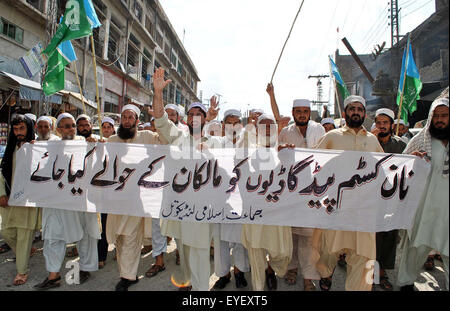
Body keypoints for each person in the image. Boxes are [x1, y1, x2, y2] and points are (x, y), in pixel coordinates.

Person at [153, 67, 222, 291]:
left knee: (201, 252)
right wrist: (157, 93)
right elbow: (160, 119)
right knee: (184, 251)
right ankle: (188, 284)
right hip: (181, 207)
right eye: (191, 114)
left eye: (198, 115)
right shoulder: (178, 137)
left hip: (202, 209)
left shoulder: (215, 142)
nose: (194, 118)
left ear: (205, 118)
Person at [313, 95, 384, 291]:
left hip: (364, 210)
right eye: (352, 109)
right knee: (328, 250)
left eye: (359, 109)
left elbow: (385, 167)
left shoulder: (372, 140)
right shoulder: (331, 136)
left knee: (365, 256)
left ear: (365, 114)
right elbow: (313, 164)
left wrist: (412, 161)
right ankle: (326, 272)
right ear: (345, 113)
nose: (356, 112)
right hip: (337, 207)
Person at [34, 113, 101, 290]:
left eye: (73, 125)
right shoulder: (50, 145)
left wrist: (96, 146)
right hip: (56, 201)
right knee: (53, 236)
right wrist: (31, 149)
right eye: (66, 126)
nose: (71, 129)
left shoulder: (83, 143)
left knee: (86, 234)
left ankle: (86, 268)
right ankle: (53, 275)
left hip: (79, 199)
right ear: (58, 129)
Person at [106, 104, 168, 291]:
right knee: (119, 239)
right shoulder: (111, 140)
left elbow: (166, 141)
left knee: (131, 237)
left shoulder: (147, 137)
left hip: (138, 198)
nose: (126, 120)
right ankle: (126, 272)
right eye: (124, 117)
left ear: (137, 120)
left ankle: (128, 277)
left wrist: (159, 118)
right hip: (117, 199)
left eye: (130, 117)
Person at [397, 97, 449, 291]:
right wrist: (412, 159)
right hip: (424, 206)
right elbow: (399, 165)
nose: (440, 120)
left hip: (447, 210)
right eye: (436, 116)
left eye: (444, 116)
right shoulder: (420, 140)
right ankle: (405, 282)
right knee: (415, 248)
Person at [241, 114, 293, 291]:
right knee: (256, 253)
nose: (267, 129)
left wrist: (289, 156)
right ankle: (258, 289)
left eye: (271, 125)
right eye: (263, 126)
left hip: (277, 211)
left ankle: (272, 271)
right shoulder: (250, 150)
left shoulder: (284, 150)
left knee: (283, 252)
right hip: (254, 210)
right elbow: (238, 159)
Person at [278, 99, 325, 291]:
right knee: (291, 235)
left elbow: (326, 155)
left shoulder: (319, 130)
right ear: (293, 112)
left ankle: (309, 276)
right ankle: (292, 269)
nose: (302, 114)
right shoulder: (285, 132)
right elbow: (277, 157)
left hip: (313, 189)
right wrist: (281, 150)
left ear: (310, 113)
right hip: (291, 190)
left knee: (308, 237)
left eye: (306, 111)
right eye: (298, 111)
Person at [212, 109, 250, 290]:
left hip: (241, 198)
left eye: (236, 123)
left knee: (241, 239)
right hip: (220, 198)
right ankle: (223, 274)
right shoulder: (216, 144)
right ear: (223, 125)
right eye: (229, 123)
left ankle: (239, 272)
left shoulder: (249, 144)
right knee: (220, 241)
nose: (233, 127)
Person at [0, 115, 39, 286]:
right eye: (15, 129)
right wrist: (1, 193)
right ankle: (27, 251)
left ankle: (22, 271)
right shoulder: (10, 148)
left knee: (24, 237)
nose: (18, 133)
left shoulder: (38, 148)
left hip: (28, 202)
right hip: (10, 199)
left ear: (29, 128)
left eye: (22, 128)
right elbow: (1, 172)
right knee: (6, 233)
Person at [371, 108, 407, 290]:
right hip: (369, 199)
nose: (382, 126)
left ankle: (382, 272)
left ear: (392, 125)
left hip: (391, 198)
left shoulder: (401, 145)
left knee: (388, 236)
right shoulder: (368, 142)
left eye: (385, 123)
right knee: (370, 237)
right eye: (379, 122)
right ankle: (370, 272)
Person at [96, 117, 116, 270]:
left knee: (117, 223)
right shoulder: (97, 143)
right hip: (102, 191)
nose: (107, 130)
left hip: (118, 190)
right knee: (103, 223)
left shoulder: (120, 143)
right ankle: (101, 255)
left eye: (109, 127)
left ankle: (119, 250)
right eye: (104, 127)